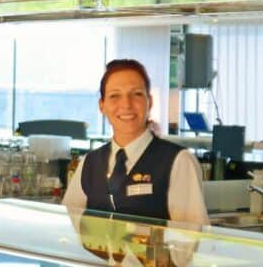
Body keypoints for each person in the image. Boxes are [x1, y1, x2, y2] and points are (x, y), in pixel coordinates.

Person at [63, 58, 208, 226]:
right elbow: (68, 227)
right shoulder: (89, 163)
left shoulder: (178, 161)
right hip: (94, 254)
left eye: (136, 94)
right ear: (102, 105)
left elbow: (190, 240)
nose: (126, 104)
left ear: (150, 102)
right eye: (114, 96)